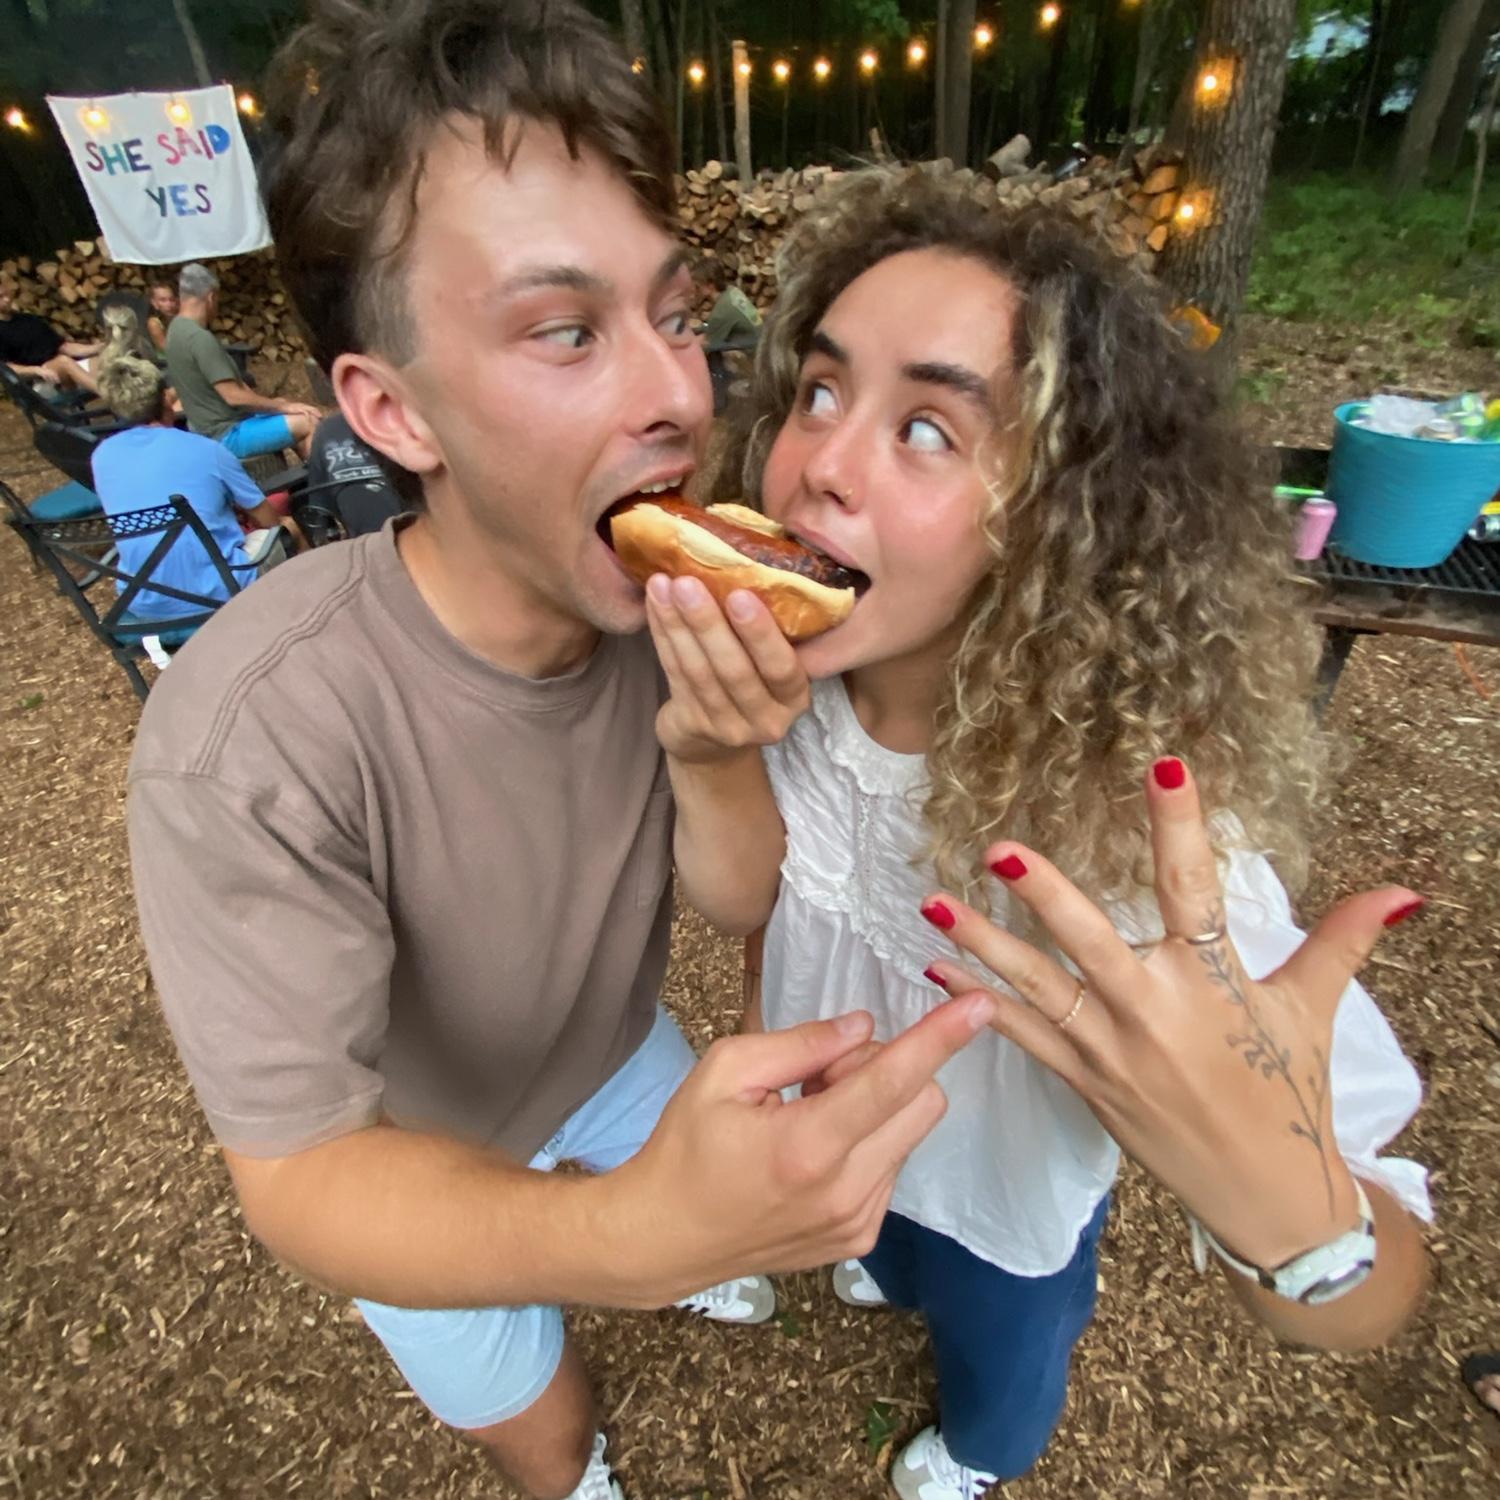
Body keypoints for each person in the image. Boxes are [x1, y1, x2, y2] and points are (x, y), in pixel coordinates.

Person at [125, 7, 992, 1500]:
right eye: (566, 330)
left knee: (706, 1201)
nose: (678, 394)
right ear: (393, 411)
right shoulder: (246, 739)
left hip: (614, 1053)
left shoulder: (683, 609)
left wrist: (718, 752)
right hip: (409, 1151)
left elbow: (735, 903)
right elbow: (300, 1175)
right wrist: (629, 1232)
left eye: (675, 312)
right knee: (537, 1422)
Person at [644, 166, 1433, 1500]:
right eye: (821, 392)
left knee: (1002, 1354)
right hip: (842, 1150)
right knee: (877, 1257)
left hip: (1003, 1206)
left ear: (1059, 522)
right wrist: (716, 752)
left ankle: (981, 1455)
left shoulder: (1126, 830)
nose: (820, 463)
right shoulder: (794, 691)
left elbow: (1372, 1292)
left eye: (932, 431)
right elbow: (749, 905)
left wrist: (1295, 1224)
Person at [92, 354, 304, 619]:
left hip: (143, 600)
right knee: (289, 528)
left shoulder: (102, 456)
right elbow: (268, 520)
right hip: (220, 593)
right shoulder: (206, 450)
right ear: (166, 399)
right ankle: (308, 613)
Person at [164, 261, 321, 460]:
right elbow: (233, 396)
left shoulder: (175, 330)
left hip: (204, 428)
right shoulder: (199, 339)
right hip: (227, 435)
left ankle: (301, 482)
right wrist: (283, 408)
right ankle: (323, 487)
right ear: (211, 297)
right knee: (309, 421)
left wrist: (278, 405)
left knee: (284, 406)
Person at [302, 408, 404, 538]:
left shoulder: (327, 430)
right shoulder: (326, 431)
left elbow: (320, 511)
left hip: (370, 542)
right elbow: (319, 508)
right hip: (406, 536)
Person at [0, 281, 102, 395]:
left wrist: (98, 348)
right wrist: (37, 371)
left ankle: (122, 401)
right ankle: (111, 396)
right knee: (63, 362)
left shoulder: (29, 319)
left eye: (6, 294)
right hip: (36, 383)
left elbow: (64, 347)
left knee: (104, 360)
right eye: (0, 297)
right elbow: (6, 368)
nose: (7, 300)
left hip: (64, 371)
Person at [697, 258, 761, 349]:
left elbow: (707, 347)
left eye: (698, 286)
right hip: (759, 340)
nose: (695, 290)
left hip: (751, 353)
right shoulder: (733, 291)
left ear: (710, 286)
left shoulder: (720, 312)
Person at [146, 277, 178, 353]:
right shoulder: (154, 323)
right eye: (163, 300)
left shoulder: (180, 317)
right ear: (154, 303)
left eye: (172, 299)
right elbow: (166, 349)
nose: (169, 304)